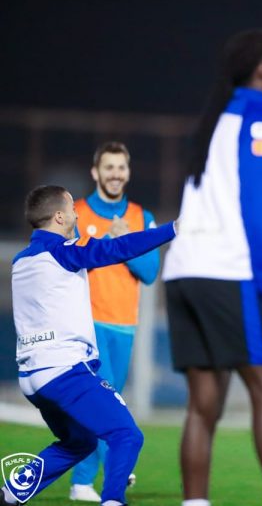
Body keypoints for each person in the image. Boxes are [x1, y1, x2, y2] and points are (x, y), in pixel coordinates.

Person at [161, 28, 262, 506]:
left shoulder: (217, 118)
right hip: (228, 271)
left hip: (183, 270)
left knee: (203, 405)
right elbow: (257, 211)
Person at [1, 185, 175, 506]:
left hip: (32, 377)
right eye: (71, 209)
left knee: (79, 443)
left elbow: (84, 262)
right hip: (64, 372)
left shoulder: (22, 260)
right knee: (126, 435)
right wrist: (173, 230)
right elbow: (116, 250)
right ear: (59, 217)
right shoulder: (63, 252)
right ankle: (113, 500)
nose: (77, 215)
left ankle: (10, 493)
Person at [69, 141, 160, 502]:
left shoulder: (141, 217)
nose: (115, 174)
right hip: (87, 324)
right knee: (105, 402)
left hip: (124, 326)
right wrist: (105, 244)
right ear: (95, 172)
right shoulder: (74, 213)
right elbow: (67, 265)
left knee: (106, 403)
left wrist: (124, 239)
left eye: (121, 167)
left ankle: (84, 482)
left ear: (128, 172)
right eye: (109, 167)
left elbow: (150, 272)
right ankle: (110, 470)